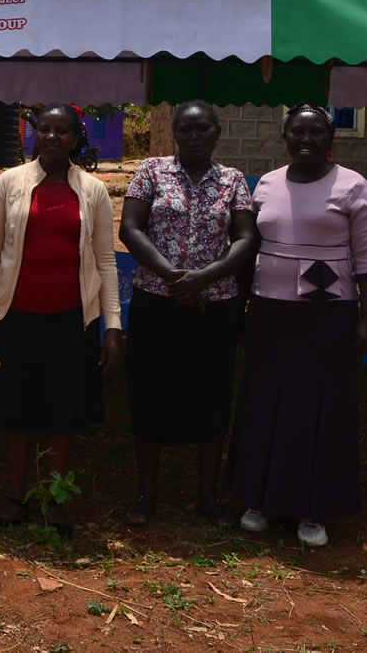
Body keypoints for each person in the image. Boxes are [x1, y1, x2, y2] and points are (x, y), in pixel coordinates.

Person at [224, 103, 367, 547]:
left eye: (315, 132)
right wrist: (240, 309)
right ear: (286, 137)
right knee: (265, 401)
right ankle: (258, 500)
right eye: (297, 131)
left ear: (330, 140)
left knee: (319, 407)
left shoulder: (353, 187)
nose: (306, 139)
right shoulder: (267, 185)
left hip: (326, 314)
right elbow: (247, 252)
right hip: (270, 311)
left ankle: (314, 509)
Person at [0, 103, 123, 537]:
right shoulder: (10, 183)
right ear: (33, 134)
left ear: (77, 138)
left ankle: (55, 500)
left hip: (73, 322)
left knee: (63, 412)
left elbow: (105, 261)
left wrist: (112, 326)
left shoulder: (92, 190)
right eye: (44, 129)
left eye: (62, 130)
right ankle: (16, 498)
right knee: (14, 410)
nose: (52, 136)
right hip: (15, 318)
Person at [118, 100, 258, 526]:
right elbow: (130, 228)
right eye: (185, 130)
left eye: (202, 129)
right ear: (174, 134)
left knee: (212, 395)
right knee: (150, 392)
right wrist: (175, 279)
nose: (193, 136)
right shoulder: (151, 171)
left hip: (214, 306)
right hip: (157, 302)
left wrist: (204, 278)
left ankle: (208, 496)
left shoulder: (232, 180)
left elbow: (246, 237)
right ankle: (146, 495)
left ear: (217, 133)